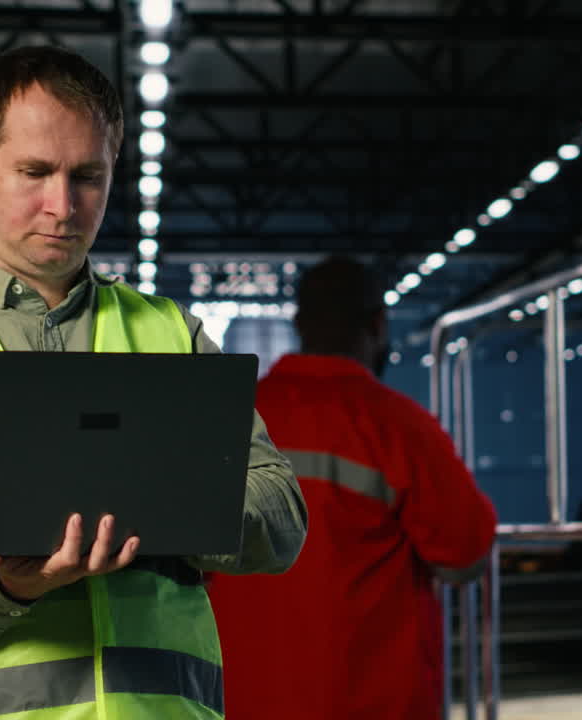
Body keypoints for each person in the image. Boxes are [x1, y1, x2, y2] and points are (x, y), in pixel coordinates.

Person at [0, 45, 307, 720]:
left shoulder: (174, 336)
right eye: (35, 172)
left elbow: (282, 520)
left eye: (88, 175)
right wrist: (8, 592)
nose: (63, 205)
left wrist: (159, 501)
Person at [206, 256, 498, 719]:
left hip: (240, 699)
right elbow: (465, 554)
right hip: (371, 703)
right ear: (378, 325)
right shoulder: (399, 426)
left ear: (300, 323)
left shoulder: (231, 416)